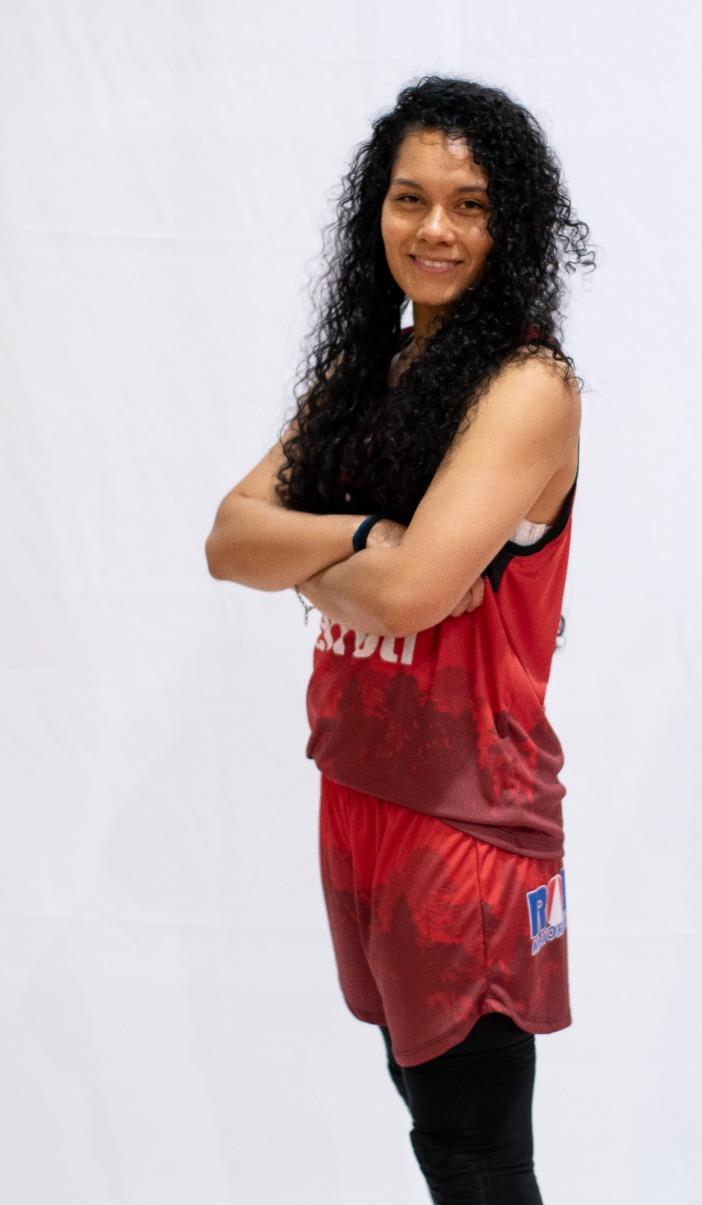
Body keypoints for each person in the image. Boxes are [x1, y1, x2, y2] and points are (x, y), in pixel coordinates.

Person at [204, 74, 595, 1204]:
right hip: (361, 782)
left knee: (477, 1150)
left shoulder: (528, 385)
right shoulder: (363, 377)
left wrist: (342, 561)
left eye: (470, 205)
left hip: (467, 811)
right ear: (375, 209)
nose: (435, 228)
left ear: (511, 225)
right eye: (410, 197)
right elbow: (227, 539)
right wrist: (367, 537)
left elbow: (417, 594)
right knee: (432, 1129)